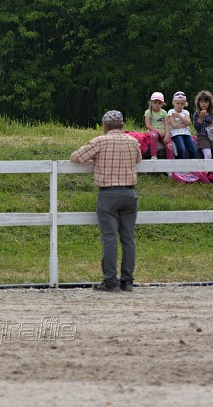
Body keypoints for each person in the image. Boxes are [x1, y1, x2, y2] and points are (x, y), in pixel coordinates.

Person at [70, 110, 142, 292]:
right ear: (122, 125)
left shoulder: (100, 141)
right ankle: (127, 280)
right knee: (128, 238)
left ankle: (110, 281)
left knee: (109, 238)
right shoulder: (133, 141)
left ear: (105, 126)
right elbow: (138, 159)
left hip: (108, 194)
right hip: (129, 193)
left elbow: (76, 157)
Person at [191, 90, 213, 160]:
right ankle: (206, 170)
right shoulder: (196, 114)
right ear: (198, 103)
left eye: (206, 102)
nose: (204, 104)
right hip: (202, 138)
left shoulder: (212, 113)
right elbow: (196, 127)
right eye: (202, 102)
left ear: (209, 103)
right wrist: (200, 118)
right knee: (208, 155)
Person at [143, 92, 173, 160]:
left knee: (170, 145)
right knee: (154, 135)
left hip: (163, 132)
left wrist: (167, 135)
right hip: (153, 131)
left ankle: (170, 163)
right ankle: (153, 155)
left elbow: (167, 125)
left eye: (159, 103)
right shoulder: (148, 112)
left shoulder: (164, 112)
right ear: (151, 103)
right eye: (155, 103)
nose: (157, 105)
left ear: (162, 104)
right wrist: (158, 131)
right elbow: (148, 125)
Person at [167, 92, 197, 159]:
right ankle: (181, 168)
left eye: (182, 104)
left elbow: (188, 122)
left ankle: (191, 166)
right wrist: (184, 124)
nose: (180, 105)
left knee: (194, 150)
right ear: (174, 103)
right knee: (181, 149)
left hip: (186, 133)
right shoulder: (171, 112)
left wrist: (179, 116)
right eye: (178, 103)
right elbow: (174, 125)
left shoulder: (186, 112)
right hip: (176, 134)